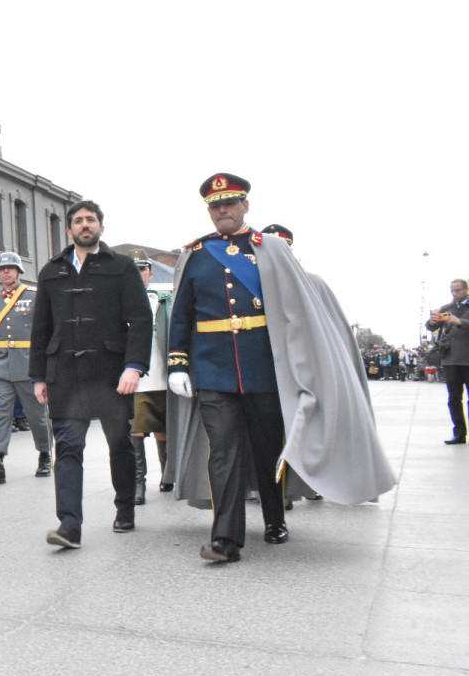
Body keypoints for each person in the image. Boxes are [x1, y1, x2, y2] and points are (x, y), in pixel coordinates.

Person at [166, 174, 395, 563]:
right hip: (213, 369)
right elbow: (182, 314)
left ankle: (275, 518)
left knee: (267, 449)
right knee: (223, 452)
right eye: (215, 206)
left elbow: (297, 313)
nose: (222, 211)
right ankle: (226, 539)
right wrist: (178, 362)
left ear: (245, 206)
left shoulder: (271, 249)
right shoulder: (196, 254)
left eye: (230, 203)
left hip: (264, 370)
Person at [30, 201, 151, 550]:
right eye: (78, 221)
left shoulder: (122, 267)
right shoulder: (52, 271)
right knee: (67, 446)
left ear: (101, 227)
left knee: (119, 443)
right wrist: (39, 375)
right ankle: (69, 524)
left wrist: (134, 366)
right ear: (69, 230)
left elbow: (141, 320)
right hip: (64, 375)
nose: (85, 225)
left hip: (112, 373)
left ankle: (125, 506)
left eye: (91, 220)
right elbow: (41, 328)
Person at [0, 251, 51, 484]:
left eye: (10, 268)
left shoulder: (34, 296)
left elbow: (45, 333)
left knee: (37, 415)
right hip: (0, 366)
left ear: (19, 272)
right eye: (2, 268)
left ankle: (45, 454)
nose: (6, 271)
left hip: (29, 365)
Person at [126, 249, 172, 502]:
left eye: (142, 270)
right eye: (134, 270)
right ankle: (138, 482)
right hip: (137, 378)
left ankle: (167, 475)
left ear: (150, 274)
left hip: (164, 376)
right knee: (136, 429)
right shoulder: (120, 302)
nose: (139, 274)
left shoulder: (163, 299)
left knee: (163, 428)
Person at [427, 279, 469, 445]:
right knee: (454, 398)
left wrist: (460, 322)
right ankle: (459, 434)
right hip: (450, 359)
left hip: (467, 359)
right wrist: (432, 322)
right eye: (452, 291)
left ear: (466, 290)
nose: (455, 294)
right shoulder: (447, 308)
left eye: (458, 290)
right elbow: (430, 327)